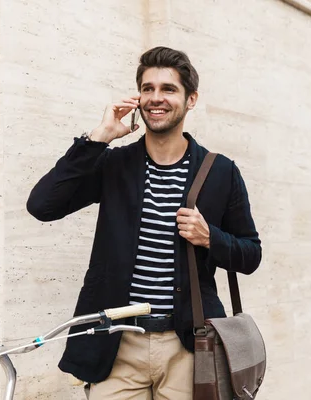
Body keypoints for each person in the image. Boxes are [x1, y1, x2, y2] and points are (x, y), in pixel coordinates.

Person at [26, 46, 262, 399]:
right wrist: (98, 138)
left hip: (188, 346)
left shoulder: (220, 171)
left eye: (168, 89)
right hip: (117, 348)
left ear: (190, 99)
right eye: (148, 89)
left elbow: (251, 254)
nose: (156, 98)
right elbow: (42, 205)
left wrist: (210, 237)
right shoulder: (114, 164)